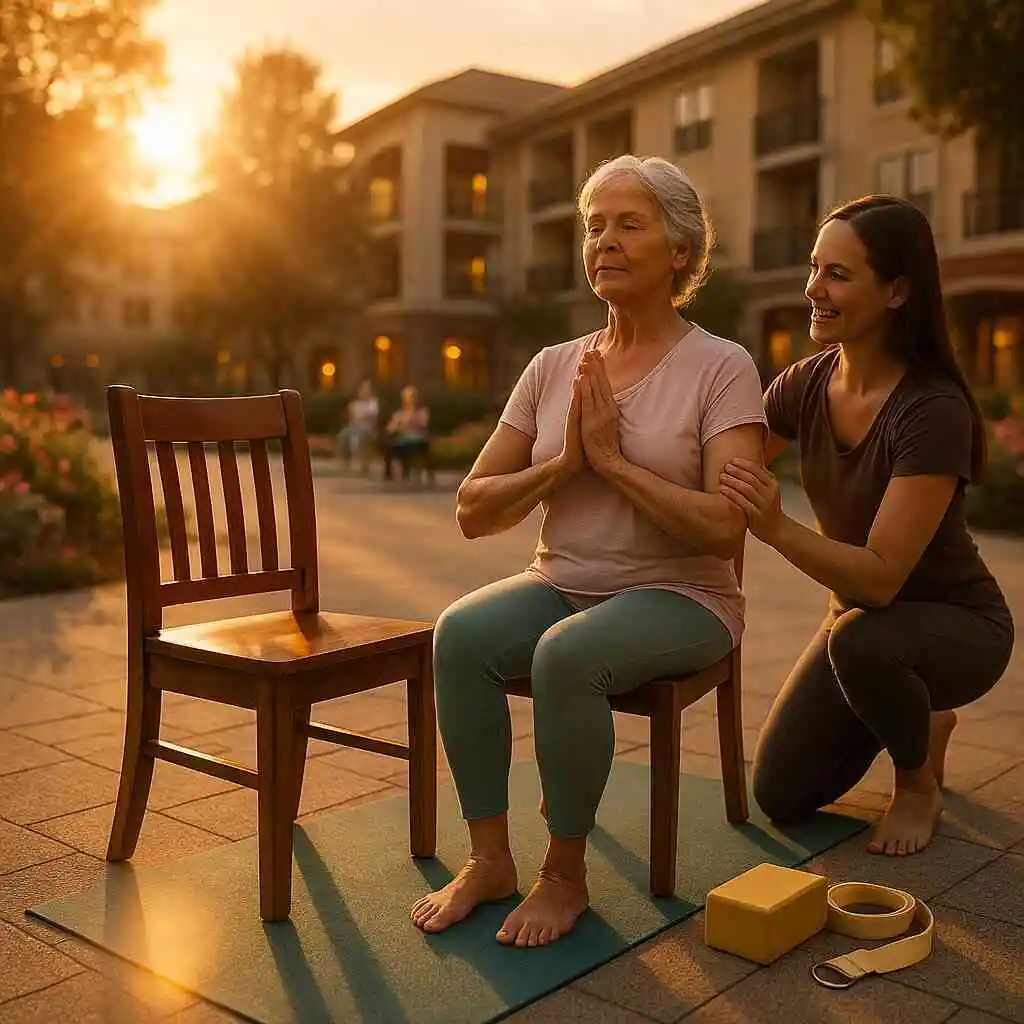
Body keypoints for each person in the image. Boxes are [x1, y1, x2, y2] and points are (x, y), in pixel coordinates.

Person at [410, 155, 767, 947]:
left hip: (685, 597)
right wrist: (564, 464)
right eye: (593, 225)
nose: (603, 240)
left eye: (628, 224)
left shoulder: (722, 366)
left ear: (681, 250)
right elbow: (472, 509)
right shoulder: (551, 367)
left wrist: (613, 465)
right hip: (563, 579)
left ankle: (563, 875)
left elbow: (723, 530)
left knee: (567, 656)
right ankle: (491, 858)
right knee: (460, 634)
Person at [720, 195, 1014, 858]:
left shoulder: (933, 410)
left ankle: (916, 784)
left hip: (958, 626)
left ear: (897, 291)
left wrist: (776, 527)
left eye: (838, 275)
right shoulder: (802, 384)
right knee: (780, 794)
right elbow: (721, 471)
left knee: (861, 639)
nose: (813, 290)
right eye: (814, 268)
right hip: (861, 629)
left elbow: (881, 582)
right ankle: (921, 718)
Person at [383, 384, 430, 480]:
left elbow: (424, 424)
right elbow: (390, 428)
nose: (410, 400)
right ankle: (388, 475)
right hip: (403, 440)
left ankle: (407, 472)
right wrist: (395, 427)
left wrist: (412, 417)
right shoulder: (400, 413)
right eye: (407, 397)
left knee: (407, 448)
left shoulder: (422, 411)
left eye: (411, 397)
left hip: (418, 440)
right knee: (389, 448)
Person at [337, 378, 379, 473]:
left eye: (367, 389)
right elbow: (352, 419)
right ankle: (345, 463)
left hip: (369, 427)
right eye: (363, 389)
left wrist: (360, 417)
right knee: (343, 434)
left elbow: (371, 417)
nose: (365, 391)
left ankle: (363, 464)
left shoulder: (373, 403)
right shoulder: (355, 404)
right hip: (355, 426)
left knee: (360, 434)